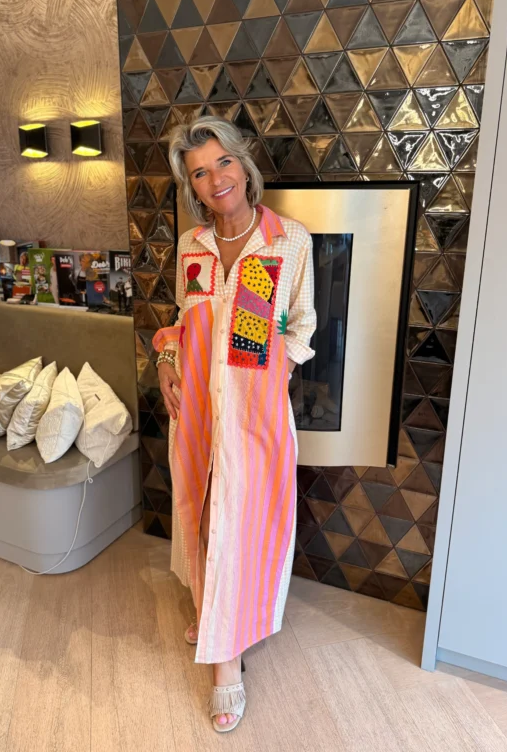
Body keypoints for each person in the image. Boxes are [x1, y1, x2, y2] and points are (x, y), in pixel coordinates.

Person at [152, 116, 316, 733]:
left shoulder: (285, 241)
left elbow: (301, 324)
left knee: (241, 521)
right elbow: (185, 321)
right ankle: (214, 611)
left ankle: (225, 664)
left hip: (253, 414)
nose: (215, 178)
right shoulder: (192, 246)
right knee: (201, 512)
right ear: (191, 186)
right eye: (199, 172)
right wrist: (166, 361)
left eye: (223, 162)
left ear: (244, 167)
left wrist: (276, 374)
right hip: (196, 408)